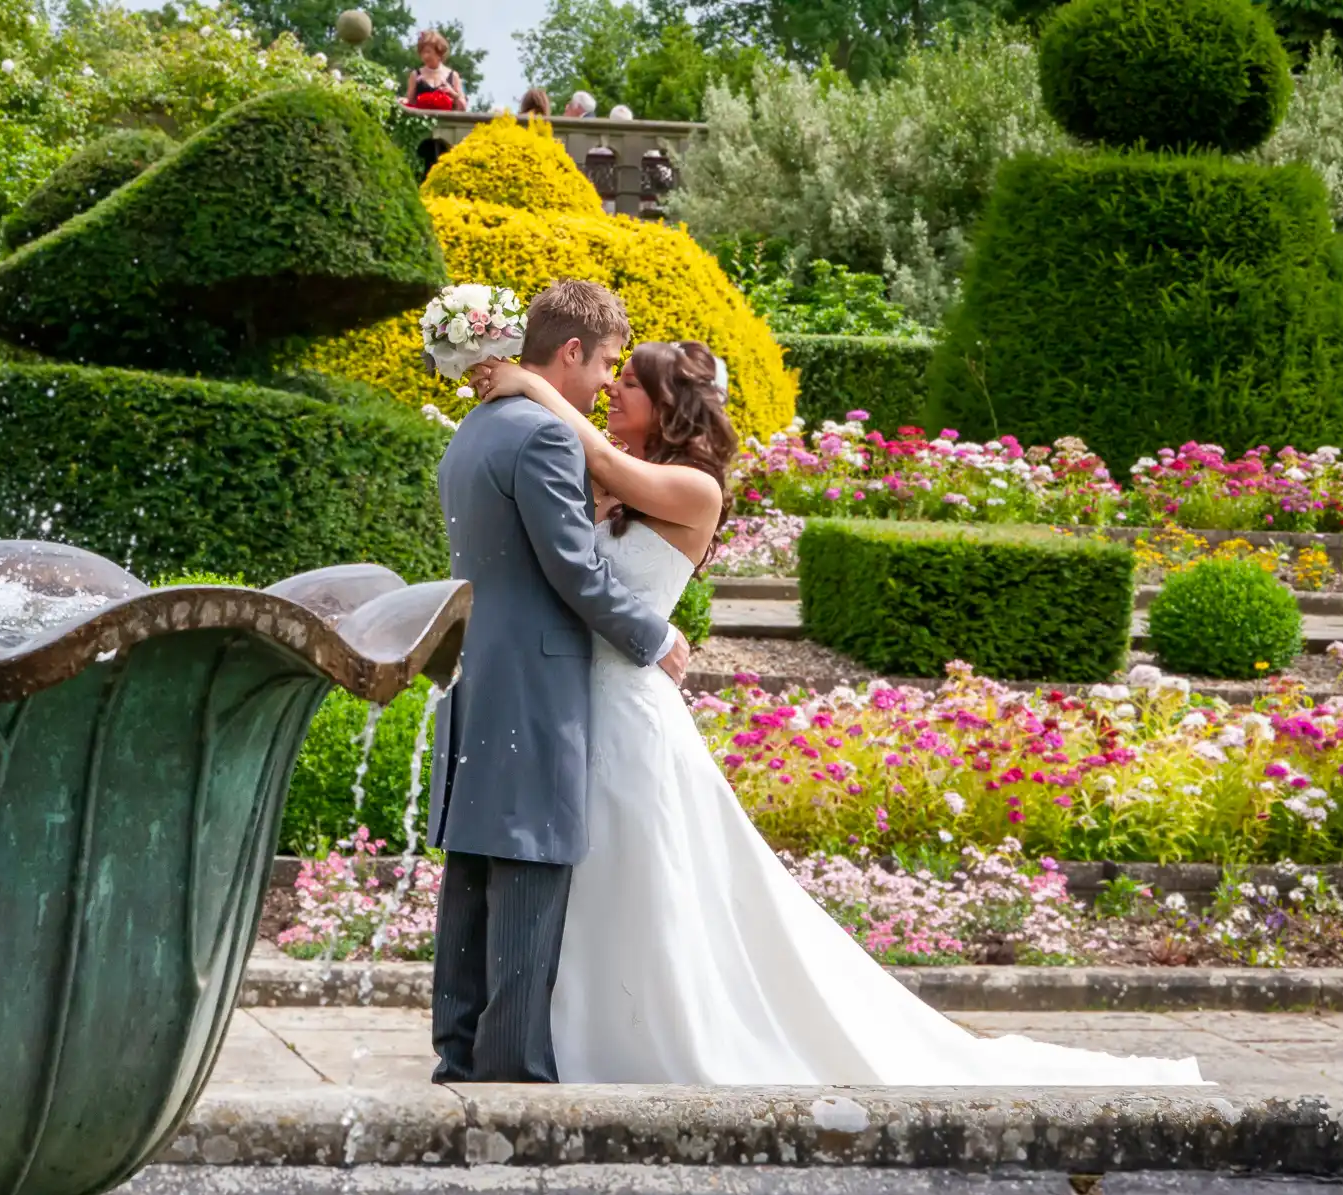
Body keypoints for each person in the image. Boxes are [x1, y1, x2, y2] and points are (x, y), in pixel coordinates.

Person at [465, 345, 1205, 1088]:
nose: (613, 391)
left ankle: (644, 1042)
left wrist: (528, 382)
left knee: (634, 872)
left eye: (631, 383)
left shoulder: (692, 487)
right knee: (589, 879)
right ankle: (566, 1037)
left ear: (671, 405)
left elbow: (601, 458)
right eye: (614, 376)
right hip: (573, 703)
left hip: (628, 712)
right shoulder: (618, 488)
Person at [427, 280, 690, 1085]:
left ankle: (458, 1056)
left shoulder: (475, 428)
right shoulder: (543, 435)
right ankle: (511, 1075)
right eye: (606, 363)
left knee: (473, 871)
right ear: (570, 351)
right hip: (535, 682)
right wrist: (655, 635)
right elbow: (573, 569)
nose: (607, 382)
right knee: (529, 866)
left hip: (476, 671)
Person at [400, 29, 466, 112]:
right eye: (422, 52)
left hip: (446, 120)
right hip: (421, 119)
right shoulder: (415, 75)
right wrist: (402, 101)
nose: (425, 56)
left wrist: (453, 94)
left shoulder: (453, 76)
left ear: (439, 52)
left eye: (428, 52)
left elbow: (463, 108)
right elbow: (410, 102)